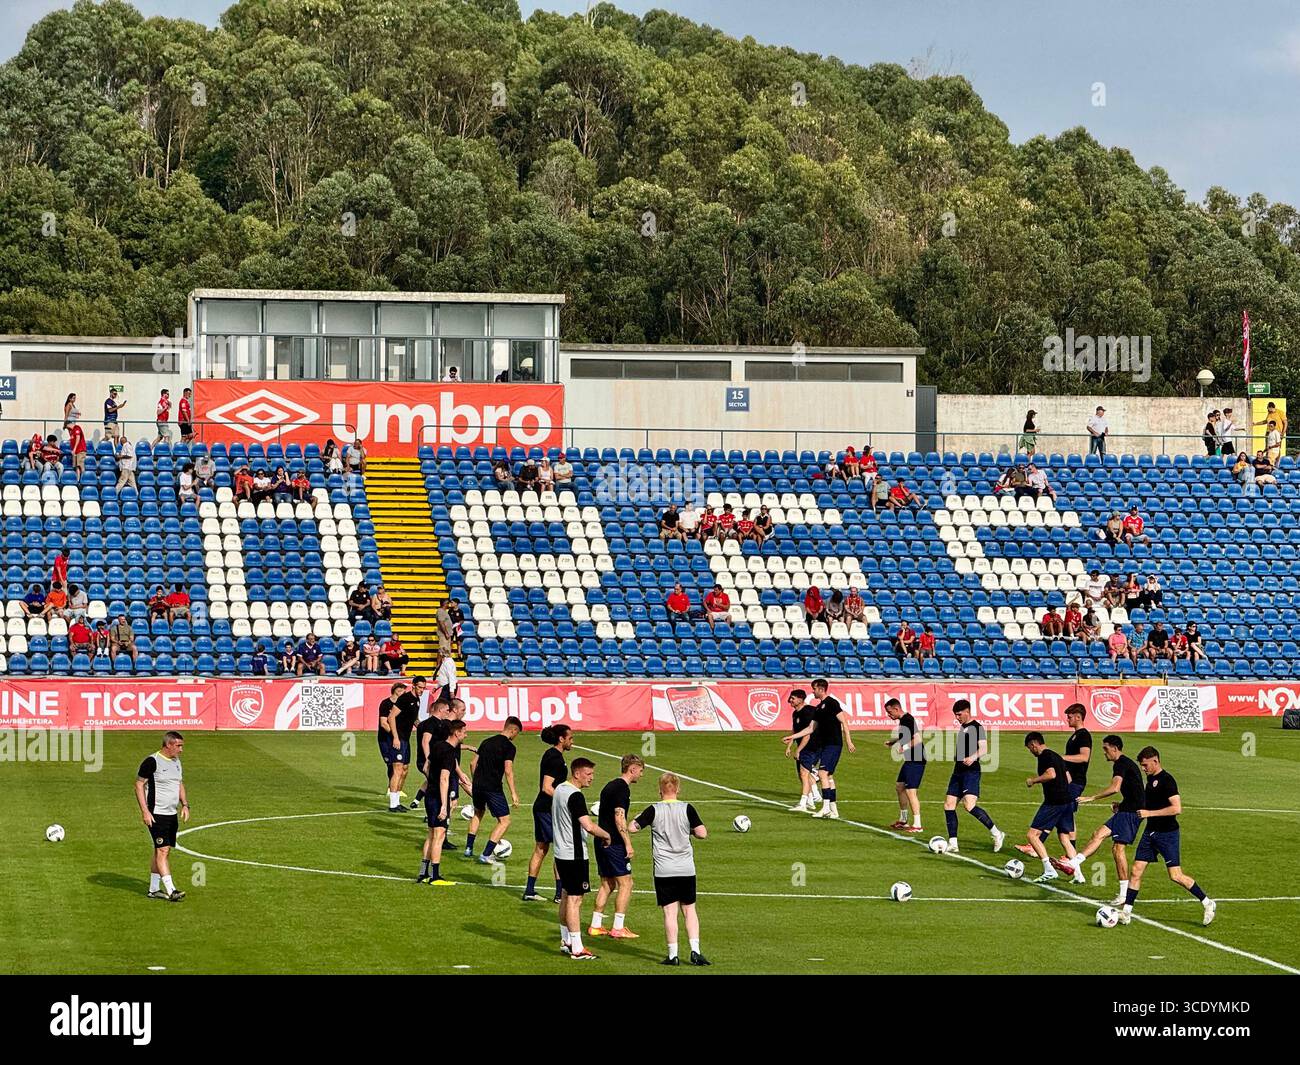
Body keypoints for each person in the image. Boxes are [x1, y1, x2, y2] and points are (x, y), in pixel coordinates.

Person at [1122, 747, 1217, 927]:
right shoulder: (1150, 780)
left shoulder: (1167, 780)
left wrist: (1149, 813)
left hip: (1167, 834)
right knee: (1136, 871)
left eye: (1145, 765)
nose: (1143, 769)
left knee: (1175, 875)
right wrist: (1123, 806)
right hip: (1150, 833)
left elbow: (1176, 808)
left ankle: (1207, 902)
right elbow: (1146, 803)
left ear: (1155, 761)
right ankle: (1126, 913)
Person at [630, 772, 710, 967]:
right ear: (678, 789)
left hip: (664, 869)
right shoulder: (687, 808)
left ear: (660, 791)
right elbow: (702, 833)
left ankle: (673, 954)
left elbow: (632, 827)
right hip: (686, 868)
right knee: (690, 910)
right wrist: (687, 830)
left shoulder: (653, 810)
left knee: (669, 913)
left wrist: (638, 818)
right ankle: (695, 951)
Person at [1061, 735, 1146, 907]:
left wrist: (1092, 797)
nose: (1104, 752)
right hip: (1126, 809)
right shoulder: (1123, 763)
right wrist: (1121, 805)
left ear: (1115, 748)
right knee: (1098, 834)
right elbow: (1134, 790)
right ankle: (1074, 862)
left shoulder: (1121, 763)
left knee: (1117, 849)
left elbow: (1115, 787)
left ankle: (1123, 894)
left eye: (1106, 749)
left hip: (1131, 813)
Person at [552, 758, 612, 960]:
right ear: (577, 773)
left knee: (567, 895)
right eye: (588, 774)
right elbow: (588, 825)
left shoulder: (560, 788)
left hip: (561, 852)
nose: (592, 778)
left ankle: (566, 940)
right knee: (575, 899)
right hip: (574, 855)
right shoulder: (575, 796)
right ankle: (577, 948)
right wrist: (606, 835)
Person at [589, 754, 646, 941]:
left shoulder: (609, 785)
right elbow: (619, 816)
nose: (641, 775)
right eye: (640, 770)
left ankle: (596, 925)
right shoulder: (622, 789)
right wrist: (628, 843)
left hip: (601, 840)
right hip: (614, 842)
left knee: (607, 883)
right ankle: (618, 927)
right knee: (626, 883)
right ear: (632, 769)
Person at [781, 678, 854, 820]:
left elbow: (844, 721)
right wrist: (792, 737)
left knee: (822, 773)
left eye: (814, 689)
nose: (812, 691)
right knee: (828, 777)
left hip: (834, 744)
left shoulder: (832, 703)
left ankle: (825, 808)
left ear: (821, 689)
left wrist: (849, 741)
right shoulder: (819, 708)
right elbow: (810, 728)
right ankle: (834, 810)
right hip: (826, 745)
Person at [941, 699, 1005, 854]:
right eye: (955, 715)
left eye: (959, 714)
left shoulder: (977, 727)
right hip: (958, 771)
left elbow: (983, 748)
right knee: (949, 805)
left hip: (971, 771)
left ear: (967, 711)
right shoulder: (963, 727)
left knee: (969, 805)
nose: (957, 717)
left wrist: (972, 757)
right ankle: (953, 843)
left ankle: (997, 833)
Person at [1022, 732, 1086, 884]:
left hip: (1054, 802)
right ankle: (1079, 875)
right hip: (1066, 801)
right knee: (1064, 837)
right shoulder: (1057, 756)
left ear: (1034, 744)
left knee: (1032, 836)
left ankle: (1049, 870)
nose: (1031, 752)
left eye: (1030, 748)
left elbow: (1050, 774)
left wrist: (1034, 780)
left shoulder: (1044, 756)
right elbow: (1068, 778)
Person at [135, 731, 189, 901]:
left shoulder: (176, 761)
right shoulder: (152, 761)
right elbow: (138, 785)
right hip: (157, 814)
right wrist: (145, 811)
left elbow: (179, 783)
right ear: (168, 745)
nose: (181, 750)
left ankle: (153, 889)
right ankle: (171, 890)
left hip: (171, 814)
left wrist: (185, 804)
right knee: (162, 850)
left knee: (162, 851)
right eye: (178, 746)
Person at [523, 724, 573, 902]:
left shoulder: (553, 755)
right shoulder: (555, 758)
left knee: (542, 848)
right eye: (570, 738)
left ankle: (531, 890)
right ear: (561, 739)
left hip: (546, 808)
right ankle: (559, 894)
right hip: (547, 809)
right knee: (558, 849)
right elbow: (546, 787)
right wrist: (566, 800)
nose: (572, 741)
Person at [465, 716, 522, 864]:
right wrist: (513, 793)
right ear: (513, 730)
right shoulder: (509, 747)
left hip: (478, 785)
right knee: (504, 821)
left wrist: (476, 780)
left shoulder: (486, 741)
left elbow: (472, 763)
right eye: (517, 733)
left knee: (478, 813)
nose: (516, 737)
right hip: (493, 788)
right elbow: (508, 770)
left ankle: (469, 848)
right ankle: (486, 854)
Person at [416, 718, 465, 887]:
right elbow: (444, 779)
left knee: (431, 834)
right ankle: (435, 876)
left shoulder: (437, 746)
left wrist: (431, 781)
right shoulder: (450, 752)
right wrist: (444, 805)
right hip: (438, 798)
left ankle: (423, 873)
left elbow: (426, 767)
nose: (466, 734)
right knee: (439, 835)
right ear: (457, 733)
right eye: (464, 732)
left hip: (430, 795)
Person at [885, 697, 925, 833]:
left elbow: (918, 739)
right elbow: (907, 736)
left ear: (897, 709)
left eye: (890, 712)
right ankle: (903, 820)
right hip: (910, 759)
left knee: (910, 791)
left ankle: (918, 824)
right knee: (900, 786)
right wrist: (894, 741)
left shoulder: (907, 719)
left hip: (917, 759)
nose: (889, 715)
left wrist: (905, 747)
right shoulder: (903, 720)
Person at [377, 682, 415, 813]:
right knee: (394, 766)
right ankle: (392, 798)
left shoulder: (404, 703)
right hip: (386, 739)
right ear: (395, 691)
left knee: (403, 768)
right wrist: (395, 735)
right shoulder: (385, 704)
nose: (403, 693)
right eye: (401, 691)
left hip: (401, 739)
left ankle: (396, 798)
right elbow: (384, 723)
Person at [783, 688, 822, 812]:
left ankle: (804, 803)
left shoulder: (808, 712)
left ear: (800, 699)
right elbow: (796, 731)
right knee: (802, 775)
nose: (790, 700)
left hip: (811, 747)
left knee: (804, 774)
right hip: (804, 747)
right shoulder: (795, 713)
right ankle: (811, 801)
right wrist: (789, 745)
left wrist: (798, 750)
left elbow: (807, 734)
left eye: (793, 698)